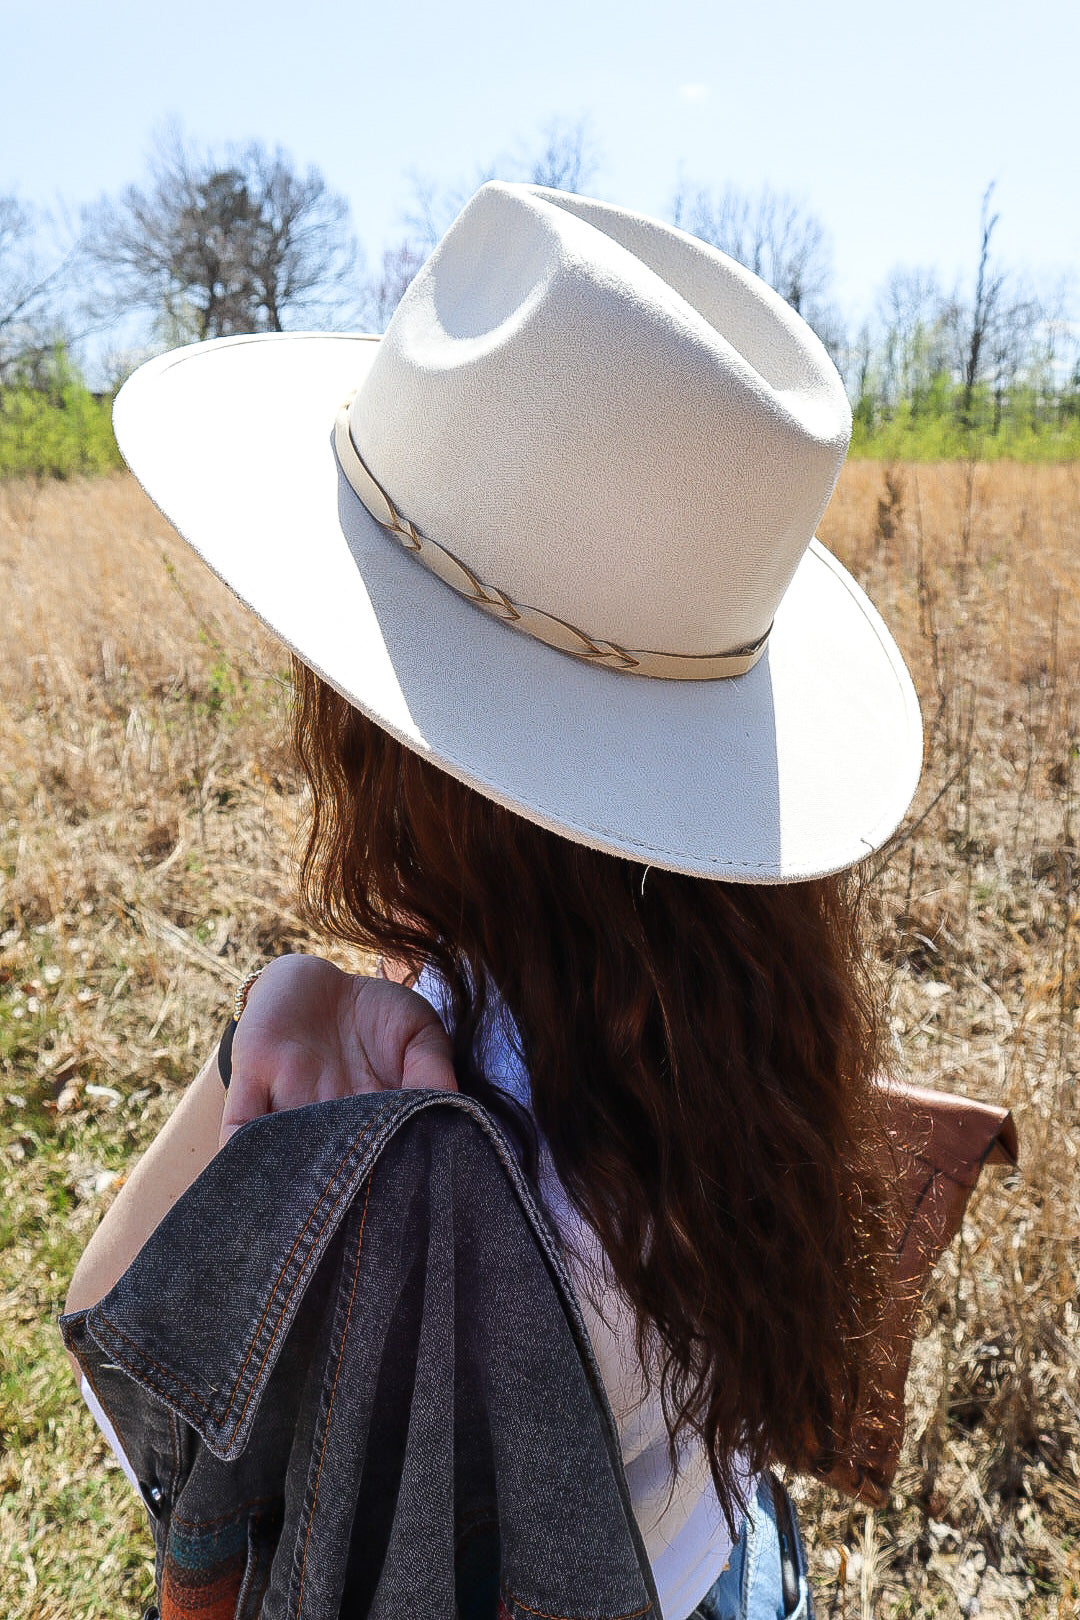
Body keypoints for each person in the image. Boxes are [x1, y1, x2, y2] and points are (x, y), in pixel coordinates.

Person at [65, 181, 926, 1618]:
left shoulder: (403, 1161)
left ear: (388, 742)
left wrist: (253, 1044)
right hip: (727, 1569)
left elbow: (126, 1360)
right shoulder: (743, 1005)